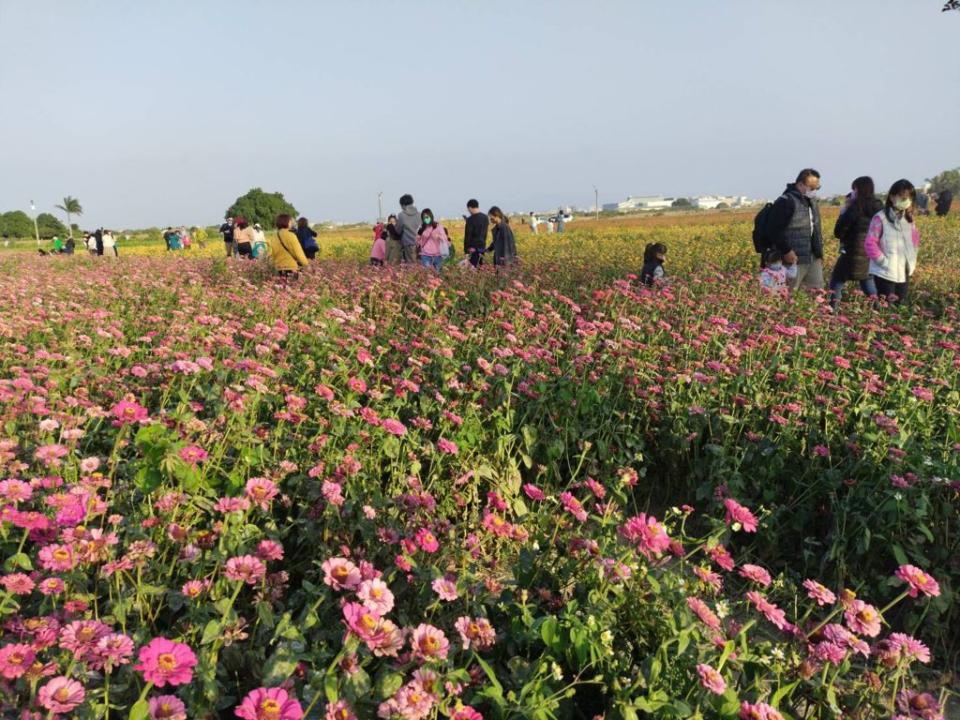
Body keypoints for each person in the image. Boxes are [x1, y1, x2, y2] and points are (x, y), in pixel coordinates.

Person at [764, 169, 825, 291]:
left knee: (817, 292)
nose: (814, 191)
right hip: (791, 258)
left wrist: (819, 253)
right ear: (800, 184)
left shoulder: (811, 201)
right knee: (784, 293)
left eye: (817, 188)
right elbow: (774, 230)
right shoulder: (786, 201)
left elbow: (815, 228)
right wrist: (786, 251)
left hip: (812, 257)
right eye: (811, 188)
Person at [829, 176, 882, 307]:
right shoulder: (880, 206)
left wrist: (843, 212)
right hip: (872, 253)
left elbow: (838, 232)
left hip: (853, 252)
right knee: (867, 280)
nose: (853, 192)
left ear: (858, 189)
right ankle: (880, 310)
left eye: (854, 189)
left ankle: (832, 310)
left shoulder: (855, 207)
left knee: (837, 281)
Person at [865, 179, 920, 304]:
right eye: (902, 196)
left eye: (909, 197)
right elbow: (870, 243)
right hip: (885, 272)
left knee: (899, 306)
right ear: (891, 197)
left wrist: (912, 259)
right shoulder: (880, 218)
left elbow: (914, 241)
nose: (906, 200)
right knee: (887, 307)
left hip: (904, 270)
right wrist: (884, 262)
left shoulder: (909, 219)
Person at [394, 194, 420, 264]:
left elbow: (398, 230)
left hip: (408, 244)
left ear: (403, 205)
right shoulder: (419, 214)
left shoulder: (401, 215)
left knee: (411, 266)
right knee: (420, 266)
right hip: (420, 244)